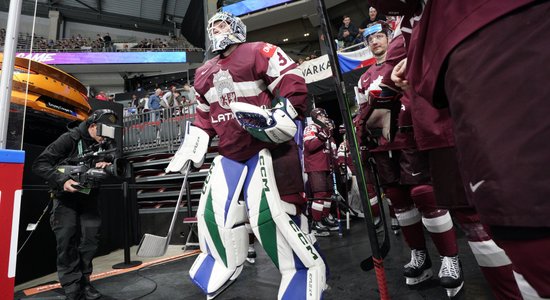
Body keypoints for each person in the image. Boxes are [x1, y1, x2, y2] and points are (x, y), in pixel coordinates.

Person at [370, 0, 549, 298]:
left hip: (489, 76)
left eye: (378, 35)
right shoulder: (410, 23)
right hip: (443, 113)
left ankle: (451, 258)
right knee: (492, 220)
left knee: (522, 219)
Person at [167, 11, 326, 300]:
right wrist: (194, 143)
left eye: (222, 23)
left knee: (274, 215)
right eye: (212, 24)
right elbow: (205, 115)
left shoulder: (258, 51)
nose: (216, 28)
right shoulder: (203, 72)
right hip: (230, 153)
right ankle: (221, 263)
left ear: (236, 27)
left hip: (267, 147)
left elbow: (290, 79)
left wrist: (287, 110)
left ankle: (302, 272)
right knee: (211, 216)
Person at [355, 22, 464, 297]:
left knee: (425, 194)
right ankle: (420, 256)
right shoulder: (364, 77)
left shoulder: (404, 58)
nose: (375, 42)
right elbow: (362, 112)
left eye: (380, 36)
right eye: (371, 39)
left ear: (388, 37)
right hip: (383, 145)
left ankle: (450, 258)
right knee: (399, 201)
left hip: (410, 136)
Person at [32, 109, 119, 300]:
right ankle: (72, 287)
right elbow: (40, 164)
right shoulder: (69, 139)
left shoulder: (105, 143)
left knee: (90, 241)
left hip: (89, 198)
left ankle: (85, 282)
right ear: (93, 126)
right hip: (65, 199)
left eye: (110, 131)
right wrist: (62, 180)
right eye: (104, 131)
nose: (106, 137)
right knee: (67, 241)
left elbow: (113, 159)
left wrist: (105, 161)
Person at [303, 108, 340, 236]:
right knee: (320, 194)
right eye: (324, 116)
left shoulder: (326, 131)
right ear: (318, 117)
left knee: (328, 194)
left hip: (326, 166)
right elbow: (310, 146)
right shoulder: (312, 128)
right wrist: (323, 135)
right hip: (316, 166)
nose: (326, 118)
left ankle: (323, 218)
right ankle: (316, 223)